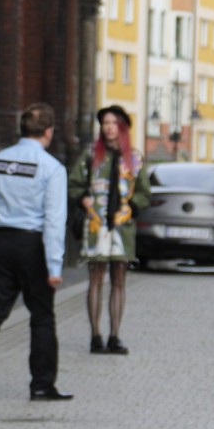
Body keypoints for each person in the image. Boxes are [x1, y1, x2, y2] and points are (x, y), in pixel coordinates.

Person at [0, 103, 72, 404]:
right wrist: (54, 266)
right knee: (42, 315)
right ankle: (42, 385)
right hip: (32, 246)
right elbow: (54, 220)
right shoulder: (51, 168)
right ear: (49, 131)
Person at [68, 104, 151, 355]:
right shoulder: (91, 155)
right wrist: (83, 198)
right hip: (96, 226)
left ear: (123, 127)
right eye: (105, 123)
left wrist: (132, 207)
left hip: (122, 227)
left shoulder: (134, 159)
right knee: (95, 278)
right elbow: (74, 184)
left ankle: (115, 335)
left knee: (119, 279)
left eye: (114, 123)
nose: (109, 127)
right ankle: (95, 335)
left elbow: (144, 193)